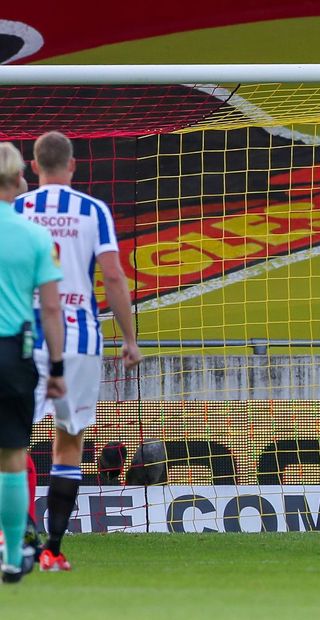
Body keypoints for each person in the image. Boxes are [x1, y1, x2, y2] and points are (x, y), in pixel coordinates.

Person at [13, 131, 142, 572]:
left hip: (24, 335)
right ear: (71, 166)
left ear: (33, 166)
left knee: (11, 439)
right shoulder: (93, 211)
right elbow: (113, 276)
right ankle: (52, 548)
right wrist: (129, 338)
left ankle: (20, 530)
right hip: (80, 338)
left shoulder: (17, 209)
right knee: (69, 441)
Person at [0, 142, 66, 584]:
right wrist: (57, 368)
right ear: (20, 177)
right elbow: (50, 309)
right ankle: (11, 552)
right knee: (11, 455)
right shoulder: (36, 236)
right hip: (14, 352)